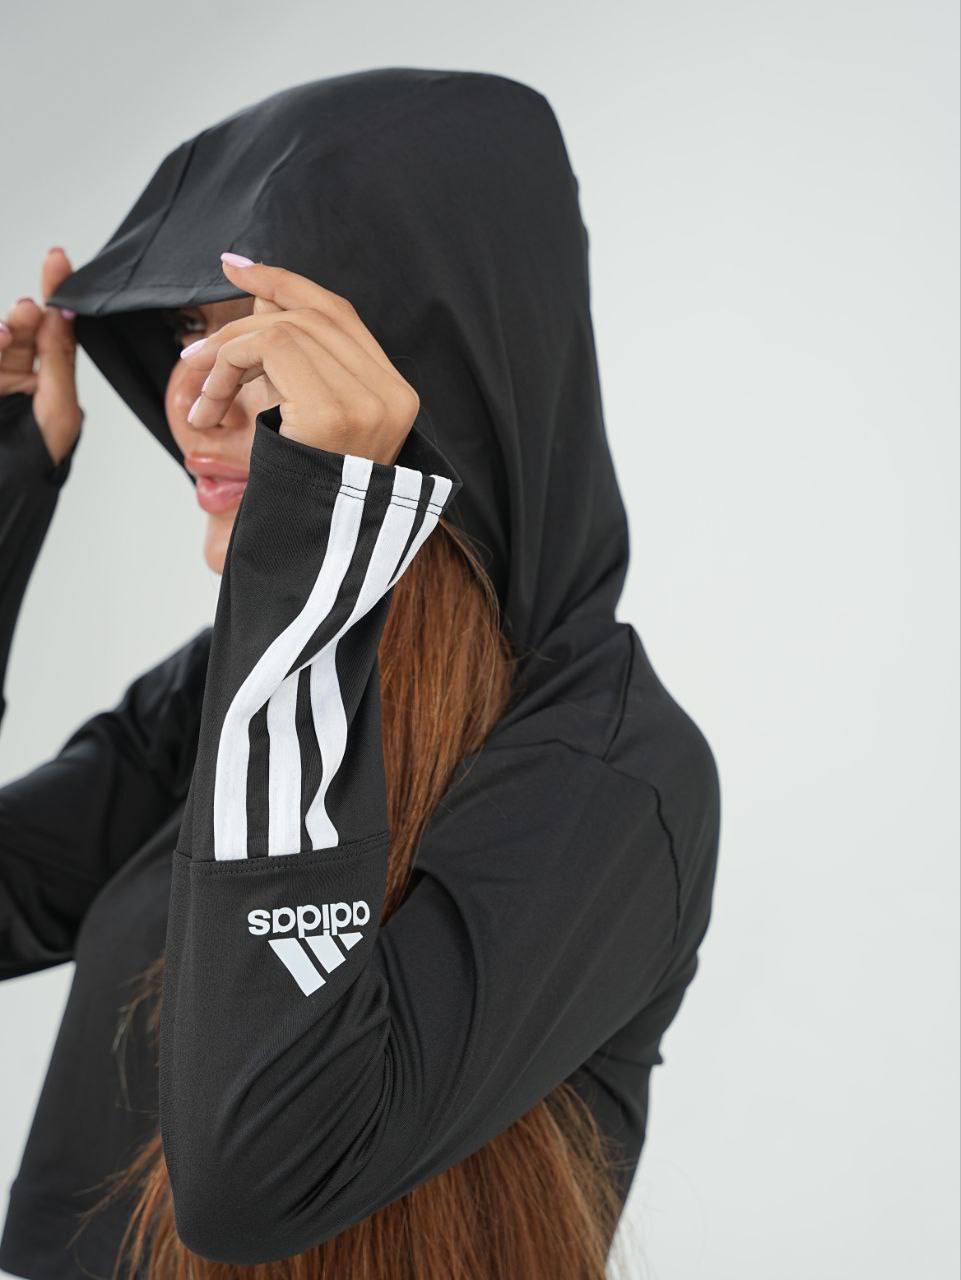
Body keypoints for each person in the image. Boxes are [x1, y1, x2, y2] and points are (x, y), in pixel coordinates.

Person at [0, 68, 721, 1280]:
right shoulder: (237, 687)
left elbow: (258, 1174)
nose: (194, 405)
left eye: (265, 344)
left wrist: (315, 542)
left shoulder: (613, 777)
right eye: (187, 335)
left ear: (445, 376)